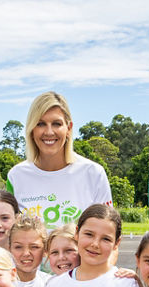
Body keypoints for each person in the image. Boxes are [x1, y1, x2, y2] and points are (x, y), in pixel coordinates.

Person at [6, 92, 112, 229]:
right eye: (40, 124)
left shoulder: (94, 173)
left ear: (69, 128)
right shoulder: (16, 176)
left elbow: (109, 239)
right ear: (31, 129)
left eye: (56, 124)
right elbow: (9, 237)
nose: (49, 132)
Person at [9, 213, 50, 287]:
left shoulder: (50, 284)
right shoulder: (2, 285)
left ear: (45, 250)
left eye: (34, 247)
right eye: (18, 247)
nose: (26, 253)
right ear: (9, 249)